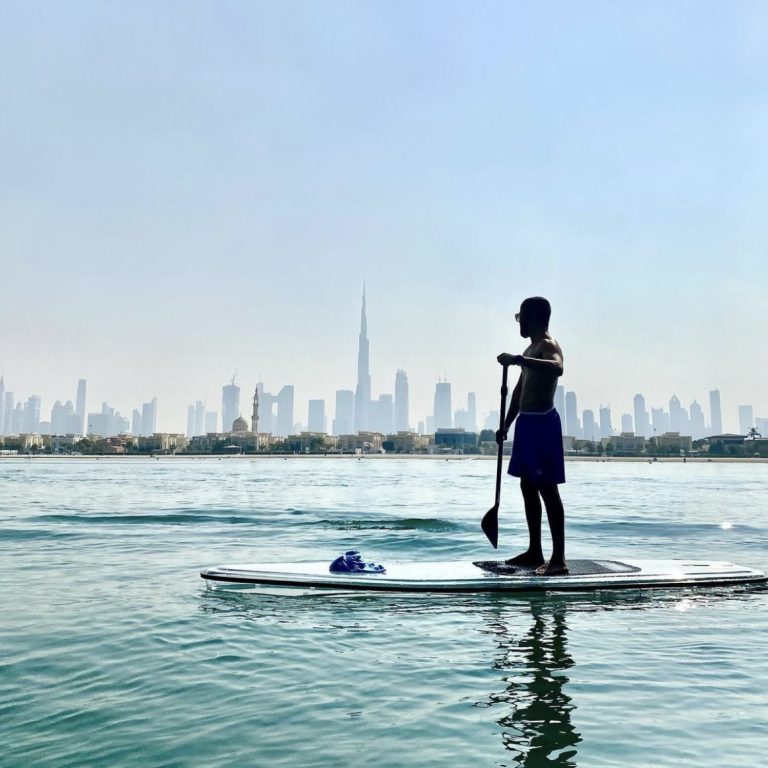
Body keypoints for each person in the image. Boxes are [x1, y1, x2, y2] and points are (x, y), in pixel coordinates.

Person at [496, 296, 567, 576]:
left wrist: (518, 360)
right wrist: (506, 424)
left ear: (534, 318)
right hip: (526, 424)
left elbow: (558, 367)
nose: (519, 322)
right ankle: (534, 550)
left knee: (547, 489)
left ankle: (559, 558)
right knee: (527, 486)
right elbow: (518, 392)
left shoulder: (547, 345)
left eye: (521, 317)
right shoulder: (530, 348)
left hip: (543, 425)